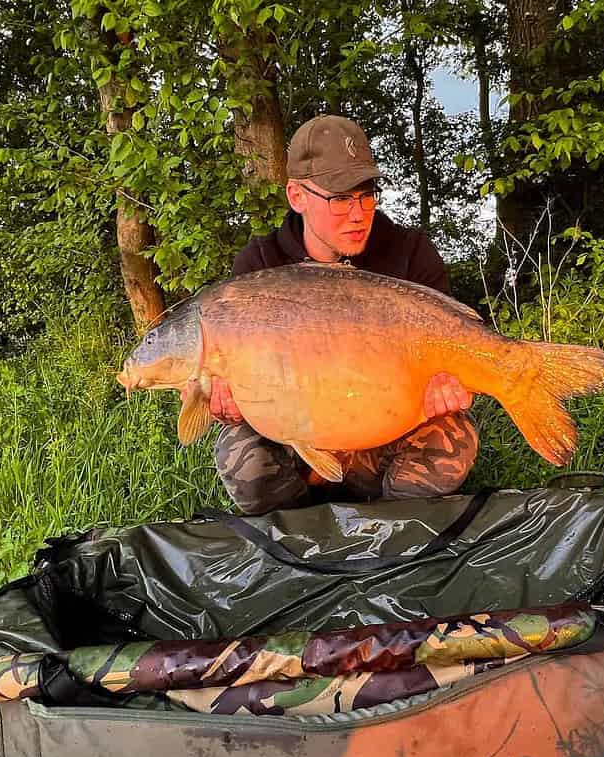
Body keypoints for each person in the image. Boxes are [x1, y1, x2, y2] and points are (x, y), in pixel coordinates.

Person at [205, 114, 479, 515]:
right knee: (238, 450)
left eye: (366, 194)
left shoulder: (410, 253)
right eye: (339, 198)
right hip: (298, 445)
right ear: (297, 196)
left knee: (453, 437)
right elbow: (236, 375)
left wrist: (449, 390)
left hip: (383, 437)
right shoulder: (260, 266)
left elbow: (449, 354)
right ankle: (300, 538)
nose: (358, 213)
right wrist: (228, 398)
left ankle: (393, 532)